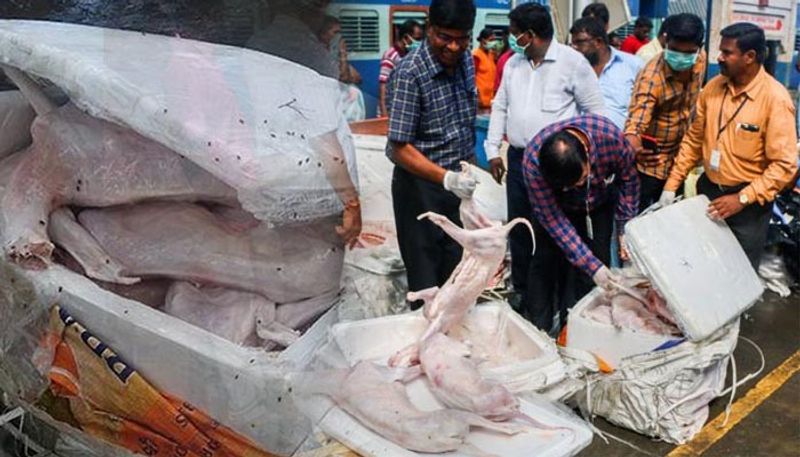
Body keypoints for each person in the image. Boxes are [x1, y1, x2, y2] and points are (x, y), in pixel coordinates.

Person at [486, 3, 604, 315]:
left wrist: (582, 160)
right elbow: (500, 106)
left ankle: (557, 306)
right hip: (518, 160)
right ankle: (524, 297)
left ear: (530, 35)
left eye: (515, 34)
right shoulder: (513, 64)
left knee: (552, 233)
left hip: (555, 166)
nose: (512, 39)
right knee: (520, 230)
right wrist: (492, 151)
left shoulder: (572, 63)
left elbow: (595, 115)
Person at [659, 23, 798, 269]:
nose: (719, 57)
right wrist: (671, 186)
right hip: (709, 193)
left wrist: (742, 198)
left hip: (748, 207)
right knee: (703, 264)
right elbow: (693, 140)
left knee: (738, 273)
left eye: (727, 52)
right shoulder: (713, 88)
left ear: (749, 57)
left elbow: (784, 165)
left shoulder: (775, 99)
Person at [386, 0, 478, 309]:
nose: (453, 47)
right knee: (426, 281)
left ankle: (452, 333)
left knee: (457, 273)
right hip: (420, 188)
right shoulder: (410, 73)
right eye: (444, 37)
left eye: (462, 39)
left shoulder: (466, 62)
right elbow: (398, 148)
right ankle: (425, 334)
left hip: (456, 185)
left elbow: (463, 120)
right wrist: (446, 178)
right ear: (429, 29)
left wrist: (465, 172)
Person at [522, 114, 640, 333]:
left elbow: (629, 180)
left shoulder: (609, 138)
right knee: (545, 263)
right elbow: (554, 221)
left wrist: (624, 228)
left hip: (598, 204)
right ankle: (538, 331)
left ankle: (575, 328)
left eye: (581, 179)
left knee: (595, 265)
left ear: (586, 154)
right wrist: (591, 265)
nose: (575, 187)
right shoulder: (533, 162)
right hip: (555, 208)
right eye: (568, 185)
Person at [624, 13, 706, 211]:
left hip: (680, 161)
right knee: (642, 219)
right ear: (665, 41)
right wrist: (635, 149)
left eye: (688, 53)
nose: (681, 58)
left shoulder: (700, 60)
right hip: (651, 166)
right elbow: (634, 126)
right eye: (675, 50)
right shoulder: (652, 78)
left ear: (699, 48)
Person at [570, 17, 642, 129]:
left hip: (621, 136)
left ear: (598, 42)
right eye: (572, 44)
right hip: (580, 135)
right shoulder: (571, 68)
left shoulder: (633, 65)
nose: (574, 48)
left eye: (579, 42)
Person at [378, 19, 424, 117]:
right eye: (417, 39)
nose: (419, 43)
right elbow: (383, 86)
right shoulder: (391, 56)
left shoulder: (409, 55)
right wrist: (384, 115)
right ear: (406, 37)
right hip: (390, 110)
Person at [474, 28, 498, 110]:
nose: (493, 42)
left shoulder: (491, 55)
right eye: (491, 40)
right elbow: (472, 79)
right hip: (480, 101)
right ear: (483, 40)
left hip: (491, 101)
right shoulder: (476, 55)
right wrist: (477, 97)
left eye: (494, 40)